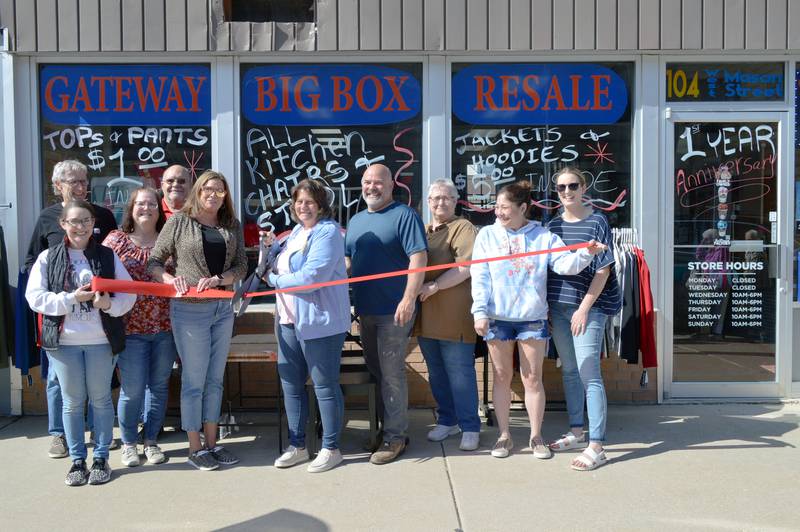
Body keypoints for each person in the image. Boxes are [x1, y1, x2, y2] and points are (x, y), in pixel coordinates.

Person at [470, 180, 606, 460]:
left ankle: (536, 436)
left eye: (505, 208)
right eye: (496, 207)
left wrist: (585, 253)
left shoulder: (542, 236)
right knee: (501, 377)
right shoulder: (486, 235)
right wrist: (479, 311)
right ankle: (504, 436)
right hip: (497, 317)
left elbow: (565, 265)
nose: (498, 213)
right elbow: (479, 275)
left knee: (532, 378)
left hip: (532, 317)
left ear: (523, 208)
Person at [25, 199, 136, 486]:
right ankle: (77, 460)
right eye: (74, 221)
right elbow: (35, 298)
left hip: (100, 341)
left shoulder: (108, 256)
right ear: (63, 224)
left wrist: (108, 304)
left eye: (86, 221)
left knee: (100, 400)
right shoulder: (48, 258)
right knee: (72, 403)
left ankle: (101, 458)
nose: (80, 227)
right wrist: (72, 298)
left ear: (93, 224)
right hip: (64, 343)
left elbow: (129, 296)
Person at [148, 170, 247, 471]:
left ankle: (213, 443)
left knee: (215, 380)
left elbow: (242, 264)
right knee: (194, 381)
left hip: (222, 308)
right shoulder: (179, 222)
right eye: (208, 188)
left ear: (225, 195)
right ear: (198, 192)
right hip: (189, 310)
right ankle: (195, 447)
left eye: (219, 190)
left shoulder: (231, 225)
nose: (213, 194)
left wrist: (222, 278)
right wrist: (169, 278)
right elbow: (154, 261)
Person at [24, 160, 118, 460]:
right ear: (58, 187)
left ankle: (95, 432)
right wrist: (57, 293)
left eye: (83, 181)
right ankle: (59, 436)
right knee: (57, 380)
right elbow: (30, 262)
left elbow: (114, 254)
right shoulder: (46, 218)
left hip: (98, 318)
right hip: (60, 320)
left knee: (97, 383)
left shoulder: (102, 215)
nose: (81, 187)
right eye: (73, 182)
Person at [263, 179, 351, 473]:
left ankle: (331, 447)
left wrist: (274, 282)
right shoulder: (296, 233)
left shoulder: (327, 233)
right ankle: (297, 445)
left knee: (324, 385)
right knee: (291, 384)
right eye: (300, 201)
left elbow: (312, 277)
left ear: (322, 205)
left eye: (310, 201)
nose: (304, 207)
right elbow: (277, 264)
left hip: (319, 322)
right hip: (287, 320)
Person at [344, 163, 427, 465]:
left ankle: (395, 438)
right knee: (378, 372)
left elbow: (418, 258)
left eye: (378, 182)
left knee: (392, 375)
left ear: (392, 185)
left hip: (394, 310)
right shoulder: (355, 221)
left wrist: (408, 299)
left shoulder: (404, 216)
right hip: (365, 310)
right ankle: (385, 429)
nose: (371, 187)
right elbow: (348, 262)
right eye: (367, 182)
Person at [546, 167, 621, 471]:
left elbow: (603, 270)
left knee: (589, 373)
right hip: (559, 308)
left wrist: (584, 308)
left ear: (584, 186)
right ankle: (577, 432)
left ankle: (597, 445)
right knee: (570, 372)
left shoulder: (597, 221)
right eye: (561, 187)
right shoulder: (551, 225)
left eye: (572, 186)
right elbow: (549, 267)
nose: (566, 192)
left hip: (587, 309)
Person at [103, 188, 177, 467]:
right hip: (130, 328)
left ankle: (152, 441)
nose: (146, 208)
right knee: (132, 389)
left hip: (165, 327)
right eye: (140, 203)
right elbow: (102, 275)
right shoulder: (116, 240)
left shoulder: (168, 241)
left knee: (158, 387)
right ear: (131, 208)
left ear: (159, 210)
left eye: (151, 204)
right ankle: (129, 443)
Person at [415, 178, 481, 451]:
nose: (440, 202)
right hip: (426, 315)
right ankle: (447, 419)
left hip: (454, 314)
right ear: (428, 202)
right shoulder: (424, 229)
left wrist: (434, 286)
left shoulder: (463, 227)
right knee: (437, 372)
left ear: (456, 201)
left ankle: (470, 426)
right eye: (435, 198)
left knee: (460, 373)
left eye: (446, 198)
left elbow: (466, 267)